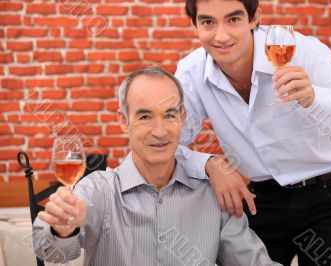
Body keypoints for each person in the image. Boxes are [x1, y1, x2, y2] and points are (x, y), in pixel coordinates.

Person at [174, 0, 331, 265]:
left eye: (233, 20)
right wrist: (209, 164)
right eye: (207, 22)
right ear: (194, 25)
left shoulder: (301, 49)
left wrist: (315, 96)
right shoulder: (191, 72)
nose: (221, 35)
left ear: (254, 18)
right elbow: (168, 141)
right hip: (261, 201)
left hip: (328, 192)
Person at [32, 66, 280, 266]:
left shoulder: (213, 196)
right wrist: (61, 230)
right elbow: (51, 252)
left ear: (182, 118)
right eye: (144, 116)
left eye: (170, 114)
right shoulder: (99, 191)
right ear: (123, 121)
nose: (159, 131)